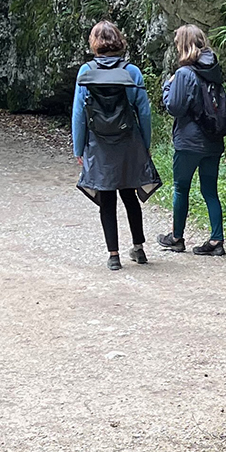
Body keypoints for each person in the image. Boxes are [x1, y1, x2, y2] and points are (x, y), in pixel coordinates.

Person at [72, 21, 159, 271]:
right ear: (119, 41)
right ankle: (139, 249)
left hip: (99, 144)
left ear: (95, 43)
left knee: (106, 196)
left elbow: (79, 114)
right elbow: (143, 111)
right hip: (128, 141)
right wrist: (145, 143)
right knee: (130, 194)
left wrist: (79, 147)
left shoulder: (85, 72)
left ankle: (113, 255)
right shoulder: (132, 71)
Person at [157, 24, 226, 256]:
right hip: (213, 140)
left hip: (188, 143)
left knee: (181, 188)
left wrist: (168, 87)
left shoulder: (184, 74)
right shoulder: (214, 71)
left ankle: (176, 238)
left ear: (183, 44)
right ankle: (217, 240)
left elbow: (175, 108)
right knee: (210, 191)